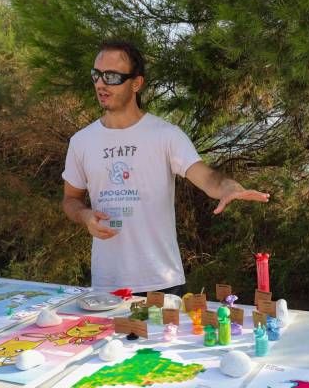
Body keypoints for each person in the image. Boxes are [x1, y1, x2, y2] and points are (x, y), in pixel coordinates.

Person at [61, 39, 269, 296]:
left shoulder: (165, 135)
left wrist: (230, 187)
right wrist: (85, 216)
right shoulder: (82, 141)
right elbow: (71, 199)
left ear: (136, 83)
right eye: (97, 75)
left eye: (112, 76)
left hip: (161, 283)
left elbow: (206, 177)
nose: (101, 84)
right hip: (106, 286)